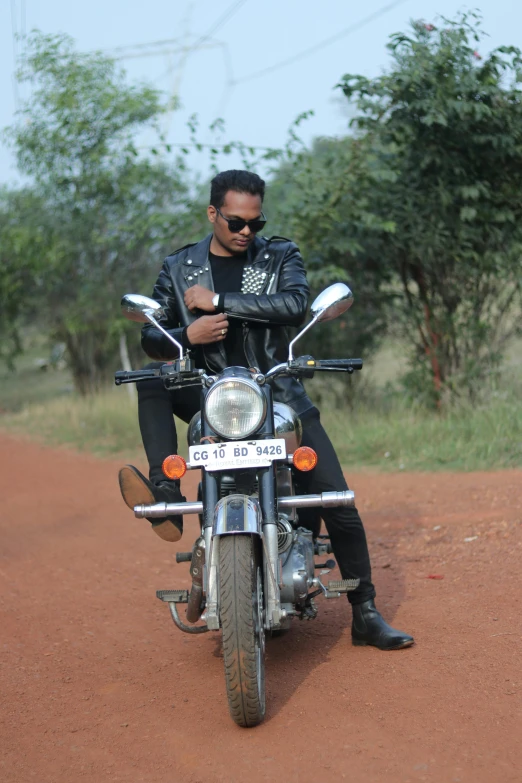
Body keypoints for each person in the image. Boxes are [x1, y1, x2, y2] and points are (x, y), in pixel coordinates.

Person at [118, 169, 413, 651]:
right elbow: (153, 335)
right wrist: (184, 337)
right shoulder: (180, 265)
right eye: (235, 222)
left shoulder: (279, 254)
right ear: (213, 214)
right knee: (153, 380)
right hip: (210, 392)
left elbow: (295, 303)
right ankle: (165, 490)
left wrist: (220, 302)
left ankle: (366, 612)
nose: (246, 232)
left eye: (254, 222)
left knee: (337, 500)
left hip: (275, 392)